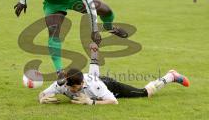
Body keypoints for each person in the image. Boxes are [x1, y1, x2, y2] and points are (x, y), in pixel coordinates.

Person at [14, 0, 128, 85]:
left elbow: (89, 5)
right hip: (54, 5)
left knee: (106, 10)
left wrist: (94, 30)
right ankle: (60, 72)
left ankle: (109, 27)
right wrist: (23, 1)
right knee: (54, 31)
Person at [38, 43, 190, 105]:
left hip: (109, 85)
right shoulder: (62, 84)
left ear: (82, 83)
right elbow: (42, 94)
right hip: (96, 79)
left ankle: (170, 76)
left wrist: (90, 102)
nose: (72, 90)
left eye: (75, 88)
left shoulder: (94, 86)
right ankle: (95, 54)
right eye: (71, 88)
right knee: (95, 74)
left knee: (145, 93)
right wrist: (43, 99)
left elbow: (113, 102)